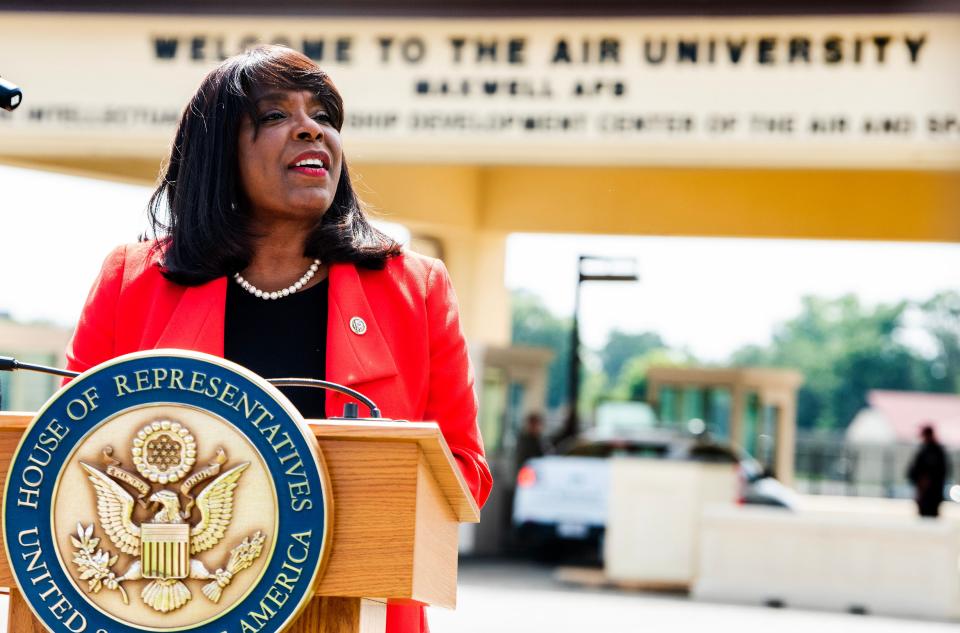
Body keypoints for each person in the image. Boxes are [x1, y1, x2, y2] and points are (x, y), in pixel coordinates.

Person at [65, 45, 492, 633]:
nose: (310, 130)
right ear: (219, 150)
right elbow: (67, 456)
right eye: (275, 116)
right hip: (170, 610)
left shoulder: (415, 289)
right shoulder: (130, 282)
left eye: (324, 116)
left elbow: (466, 472)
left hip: (355, 610)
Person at [907, 424, 950, 518]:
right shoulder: (925, 450)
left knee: (930, 514)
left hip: (933, 492)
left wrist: (927, 480)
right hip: (924, 491)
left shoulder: (935, 451)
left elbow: (942, 471)